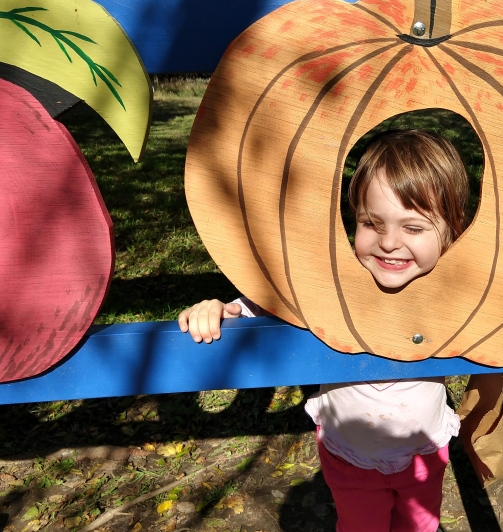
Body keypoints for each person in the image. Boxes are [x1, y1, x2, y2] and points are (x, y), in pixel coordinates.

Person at [179, 129, 470, 532]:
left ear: (453, 231)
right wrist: (219, 309)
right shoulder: (329, 285)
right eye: (371, 222)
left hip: (424, 452)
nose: (389, 242)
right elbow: (268, 301)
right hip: (348, 456)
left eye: (414, 228)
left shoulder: (458, 294)